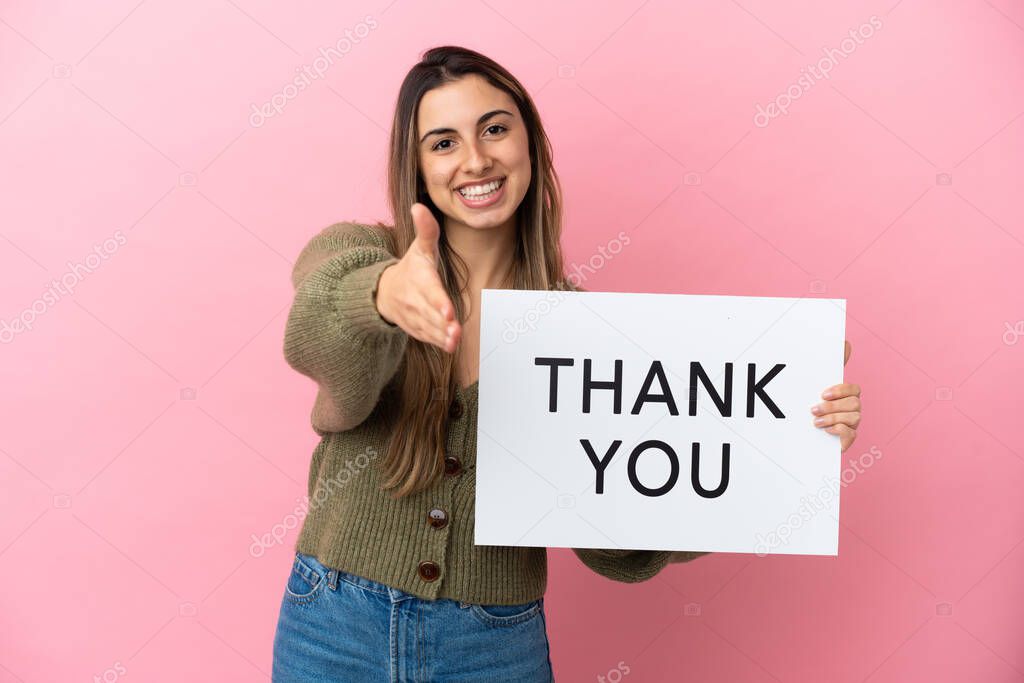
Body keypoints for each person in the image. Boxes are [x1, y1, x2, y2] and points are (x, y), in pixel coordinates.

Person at [271, 45, 862, 682]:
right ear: (415, 164)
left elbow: (621, 541)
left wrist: (779, 441)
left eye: (494, 128)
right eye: (443, 142)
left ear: (530, 142)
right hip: (333, 622)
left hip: (492, 645)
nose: (476, 159)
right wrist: (385, 296)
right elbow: (316, 329)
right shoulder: (359, 252)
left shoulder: (583, 333)